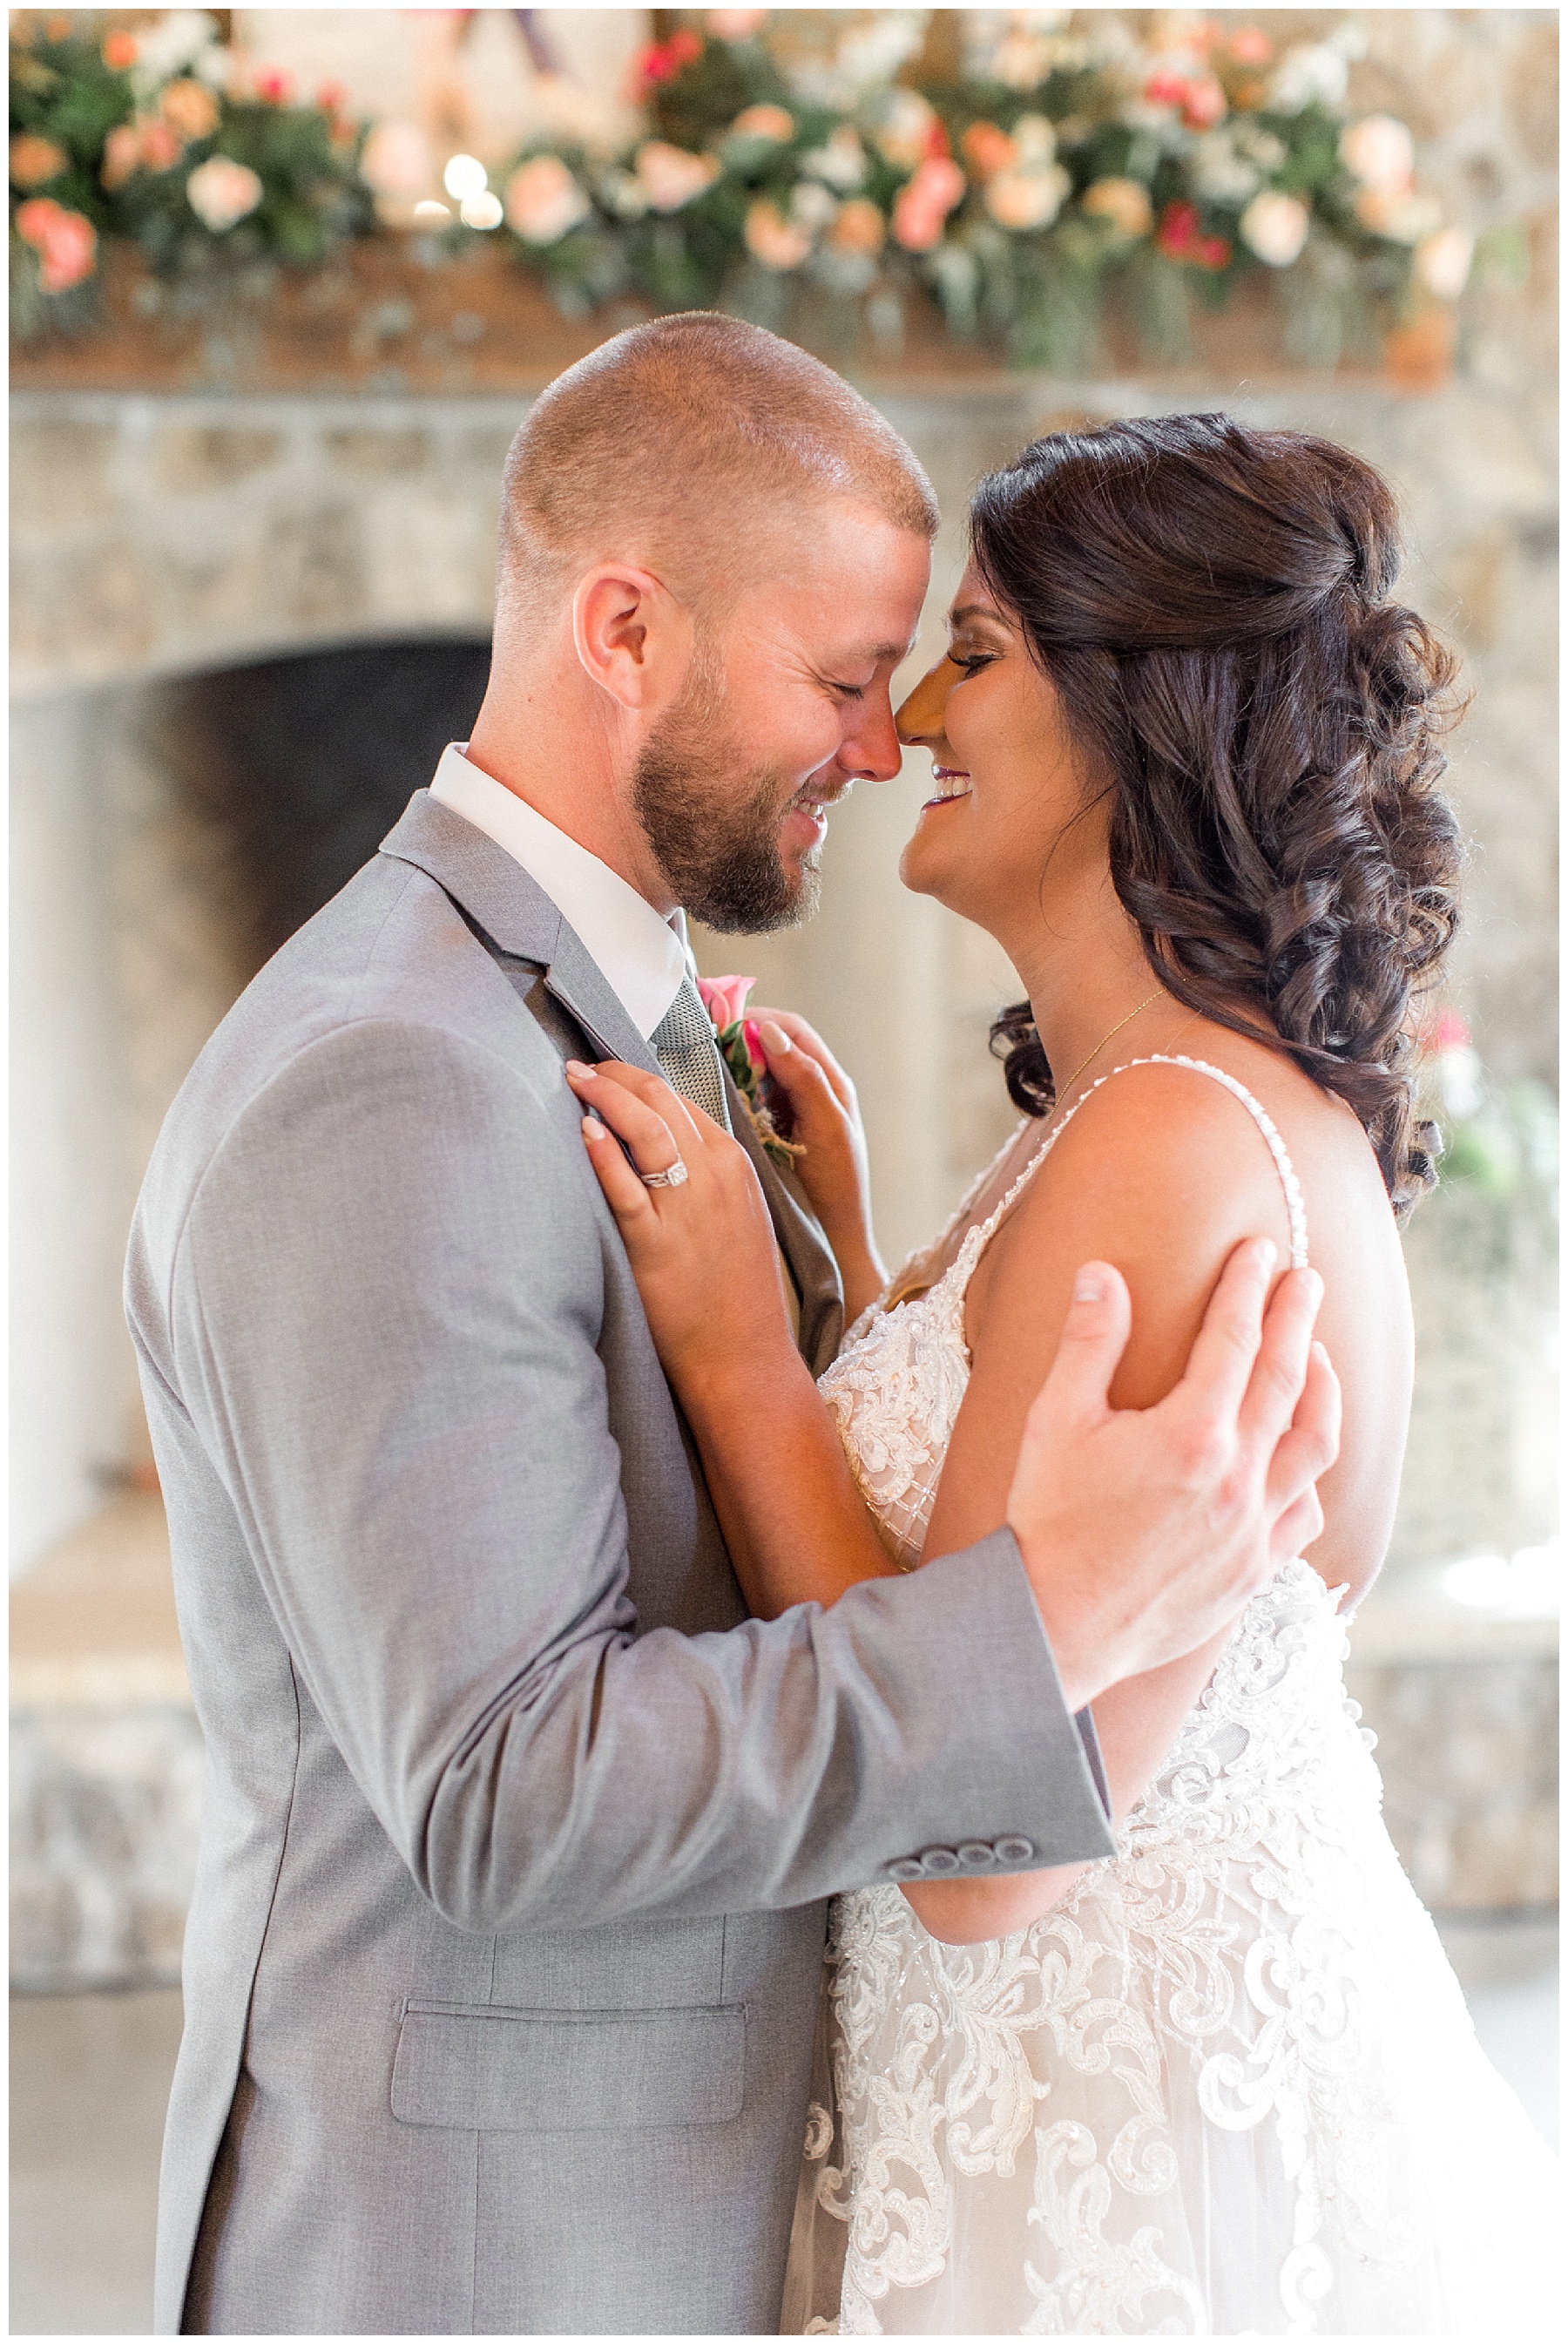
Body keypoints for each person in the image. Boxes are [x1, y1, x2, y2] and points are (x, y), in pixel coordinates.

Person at [125, 324, 1335, 2336]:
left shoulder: (620, 1022)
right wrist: (1045, 1626)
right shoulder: (397, 1080)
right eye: (845, 679)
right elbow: (510, 1784)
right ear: (624, 628)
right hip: (488, 2272)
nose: (883, 743)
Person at [573, 413, 1559, 2335]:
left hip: (1117, 2176)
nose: (912, 712)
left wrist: (744, 1352)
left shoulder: (1171, 1152)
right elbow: (988, 1581)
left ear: (1141, 719)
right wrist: (861, 1270)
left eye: (981, 648)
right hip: (1065, 2104)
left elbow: (983, 1842)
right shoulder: (1138, 1111)